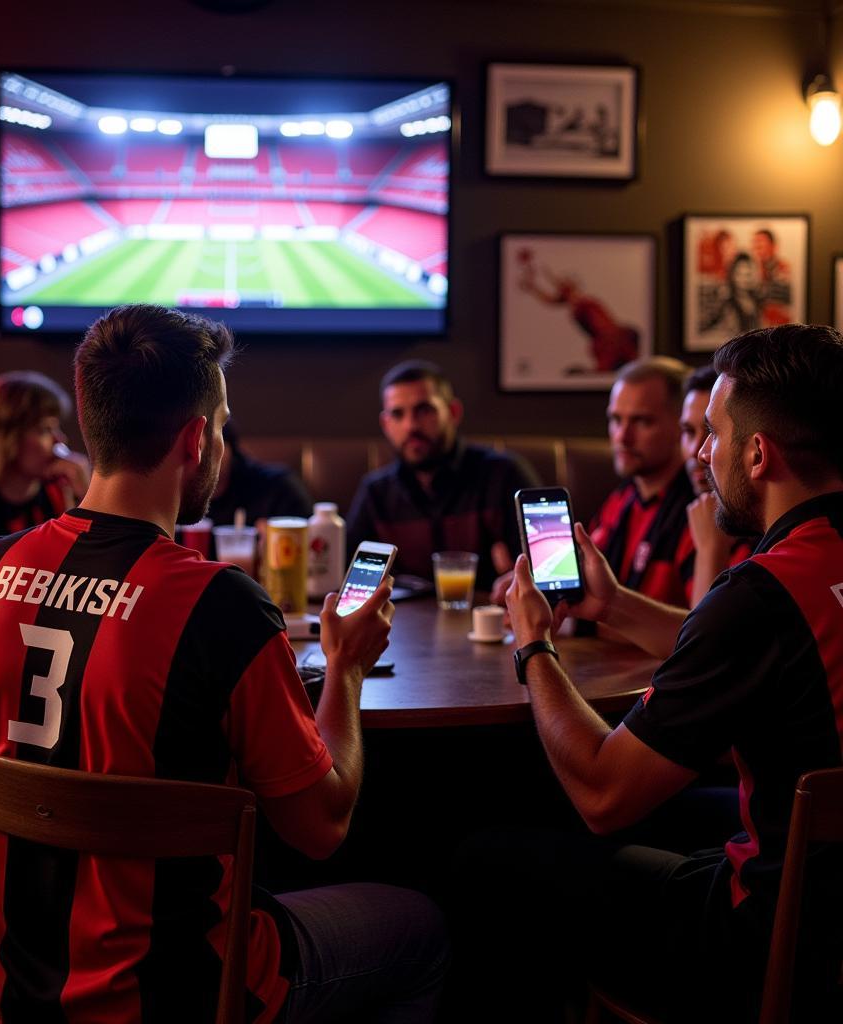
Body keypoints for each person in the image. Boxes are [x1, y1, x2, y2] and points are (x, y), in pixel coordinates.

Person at [0, 304, 447, 1024]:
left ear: (91, 424)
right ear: (196, 438)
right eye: (224, 425)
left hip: (0, 994)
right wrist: (347, 669)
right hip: (188, 994)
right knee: (422, 927)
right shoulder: (222, 608)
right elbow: (321, 827)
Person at [462, 323, 843, 1023]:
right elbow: (753, 655)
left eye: (714, 433)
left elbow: (604, 795)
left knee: (487, 857)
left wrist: (534, 648)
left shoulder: (758, 594)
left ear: (759, 454)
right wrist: (614, 607)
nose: (702, 451)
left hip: (778, 939)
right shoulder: (798, 580)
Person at [347, 359, 536, 592]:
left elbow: (542, 566)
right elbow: (349, 580)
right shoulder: (376, 492)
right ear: (386, 424)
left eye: (424, 410)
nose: (410, 426)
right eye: (398, 414)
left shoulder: (502, 474)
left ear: (453, 412)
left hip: (487, 621)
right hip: (403, 623)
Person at [587, 356, 695, 608]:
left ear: (682, 425)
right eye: (616, 420)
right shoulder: (622, 498)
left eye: (642, 421)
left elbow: (699, 630)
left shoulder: (699, 509)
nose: (622, 437)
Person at [0, 370, 90, 563]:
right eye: (45, 429)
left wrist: (87, 497)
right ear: (7, 437)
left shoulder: (59, 494)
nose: (60, 439)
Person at [680, 364, 755, 605]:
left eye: (712, 433)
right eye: (688, 431)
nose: (697, 452)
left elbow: (705, 640)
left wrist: (710, 551)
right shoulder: (693, 508)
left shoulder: (761, 528)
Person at [207, 419, 312, 526]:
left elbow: (309, 535)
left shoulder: (279, 488)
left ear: (231, 448)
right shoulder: (190, 503)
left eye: (209, 446)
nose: (199, 457)